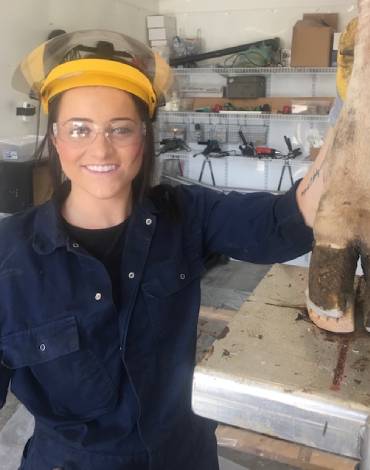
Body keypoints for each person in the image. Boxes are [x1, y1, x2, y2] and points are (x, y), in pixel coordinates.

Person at [0, 30, 324, 470]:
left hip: (181, 454)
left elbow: (275, 226)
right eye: (80, 130)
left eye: (120, 129)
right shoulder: (8, 256)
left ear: (143, 138)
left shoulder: (185, 215)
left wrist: (339, 170)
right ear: (56, 139)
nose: (100, 148)